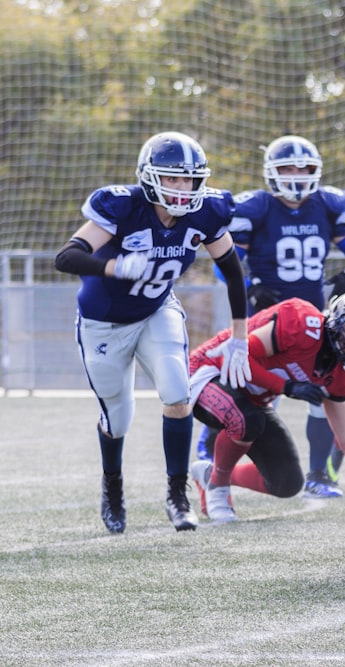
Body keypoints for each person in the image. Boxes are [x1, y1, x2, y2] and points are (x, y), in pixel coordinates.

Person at [54, 131, 252, 534]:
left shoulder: (206, 212)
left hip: (157, 310)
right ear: (149, 177)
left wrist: (240, 336)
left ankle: (177, 495)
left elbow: (232, 271)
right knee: (117, 419)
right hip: (103, 322)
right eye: (173, 178)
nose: (183, 188)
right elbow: (66, 257)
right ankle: (113, 486)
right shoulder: (124, 206)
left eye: (190, 179)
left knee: (177, 392)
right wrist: (112, 267)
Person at [200, 134, 345, 500]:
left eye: (303, 168)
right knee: (249, 394)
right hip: (265, 318)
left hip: (317, 323)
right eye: (287, 168)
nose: (296, 175)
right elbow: (223, 266)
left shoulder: (328, 205)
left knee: (323, 395)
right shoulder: (256, 208)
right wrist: (248, 289)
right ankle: (208, 458)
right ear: (271, 172)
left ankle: (318, 474)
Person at [187, 291, 345, 522]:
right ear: (339, 315)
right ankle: (218, 489)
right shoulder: (302, 325)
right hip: (209, 372)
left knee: (287, 481)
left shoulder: (339, 374)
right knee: (247, 421)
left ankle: (208, 473)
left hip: (251, 400)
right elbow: (234, 356)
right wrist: (285, 386)